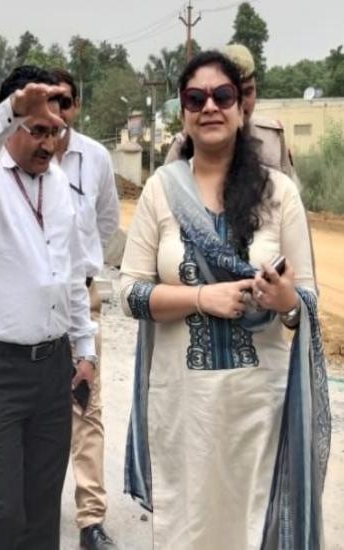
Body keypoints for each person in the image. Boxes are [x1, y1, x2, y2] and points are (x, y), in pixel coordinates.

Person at [121, 51, 330, 549]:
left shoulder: (279, 193)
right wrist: (201, 297)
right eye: (196, 98)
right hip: (183, 405)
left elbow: (307, 302)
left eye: (222, 95)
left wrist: (285, 300)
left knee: (251, 529)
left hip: (259, 406)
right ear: (183, 112)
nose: (209, 107)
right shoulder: (161, 191)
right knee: (187, 530)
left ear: (241, 109)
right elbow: (129, 293)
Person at [0, 65, 96, 550]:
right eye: (36, 130)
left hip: (52, 370)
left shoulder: (59, 185)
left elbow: (72, 272)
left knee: (42, 510)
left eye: (55, 131)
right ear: (12, 124)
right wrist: (11, 109)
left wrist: (85, 350)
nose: (48, 144)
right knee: (2, 510)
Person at [51, 68, 119, 550]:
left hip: (85, 297)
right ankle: (31, 506)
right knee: (38, 410)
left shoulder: (95, 158)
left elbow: (108, 219)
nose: (58, 110)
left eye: (66, 101)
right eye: (50, 100)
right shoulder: (18, 153)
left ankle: (91, 519)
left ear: (76, 106)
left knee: (86, 407)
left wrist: (86, 264)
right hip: (35, 305)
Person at [165, 43, 296, 180]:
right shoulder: (185, 144)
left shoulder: (272, 137)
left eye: (248, 92)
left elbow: (291, 188)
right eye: (225, 95)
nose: (242, 102)